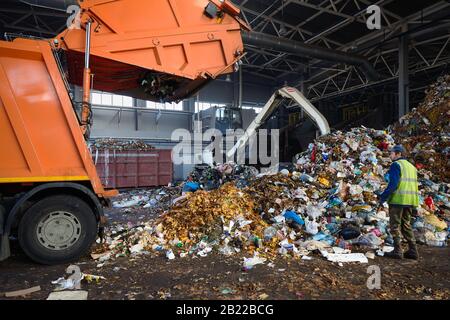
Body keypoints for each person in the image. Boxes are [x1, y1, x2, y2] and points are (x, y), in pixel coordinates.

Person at [378, 145, 420, 260]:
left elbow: (393, 184)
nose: (390, 155)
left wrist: (383, 197)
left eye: (392, 153)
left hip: (398, 200)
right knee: (406, 225)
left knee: (395, 226)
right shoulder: (412, 167)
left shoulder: (396, 165)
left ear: (398, 154)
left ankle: (397, 251)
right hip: (410, 201)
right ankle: (413, 251)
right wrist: (415, 205)